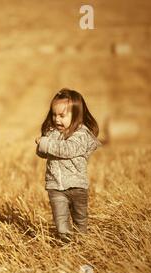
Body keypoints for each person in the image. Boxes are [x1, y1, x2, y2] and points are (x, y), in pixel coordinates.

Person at [35, 88, 101, 242]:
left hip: (77, 186)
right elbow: (44, 154)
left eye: (62, 116)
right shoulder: (53, 133)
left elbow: (67, 150)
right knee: (61, 222)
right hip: (55, 187)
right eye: (54, 115)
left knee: (80, 219)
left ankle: (82, 243)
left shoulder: (81, 134)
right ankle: (67, 245)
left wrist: (45, 143)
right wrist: (41, 146)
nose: (57, 119)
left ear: (76, 115)